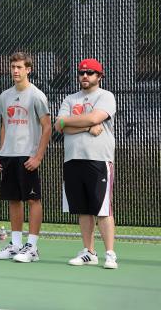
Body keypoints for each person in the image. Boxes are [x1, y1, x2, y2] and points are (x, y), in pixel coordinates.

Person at [54, 58, 118, 269]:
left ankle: (110, 254)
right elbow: (59, 125)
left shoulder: (106, 96)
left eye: (90, 73)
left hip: (99, 159)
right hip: (73, 159)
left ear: (99, 76)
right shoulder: (70, 99)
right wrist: (86, 126)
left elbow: (94, 118)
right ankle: (89, 252)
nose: (85, 76)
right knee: (83, 210)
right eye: (82, 73)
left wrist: (76, 122)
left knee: (102, 209)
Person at [0, 52, 51, 263]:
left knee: (33, 200)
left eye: (20, 67)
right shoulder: (4, 96)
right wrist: (1, 153)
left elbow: (47, 127)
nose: (15, 71)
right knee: (13, 200)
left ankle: (32, 247)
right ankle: (15, 245)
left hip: (28, 156)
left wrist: (38, 156)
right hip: (9, 156)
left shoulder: (37, 95)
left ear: (28, 69)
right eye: (13, 67)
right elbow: (3, 126)